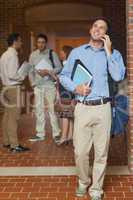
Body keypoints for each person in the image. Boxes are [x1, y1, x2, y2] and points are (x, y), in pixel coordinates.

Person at [59, 17, 125, 200]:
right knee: (80, 151)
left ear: (106, 34)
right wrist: (76, 88)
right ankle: (83, 181)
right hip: (83, 107)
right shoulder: (78, 52)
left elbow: (118, 75)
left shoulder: (114, 54)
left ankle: (96, 188)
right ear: (91, 30)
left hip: (103, 108)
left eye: (102, 27)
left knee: (101, 152)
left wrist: (109, 51)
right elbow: (63, 77)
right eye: (95, 26)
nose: (98, 29)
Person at [29, 34, 62, 144]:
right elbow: (30, 70)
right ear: (36, 43)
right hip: (38, 86)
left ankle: (56, 134)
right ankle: (40, 134)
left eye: (43, 42)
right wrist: (33, 83)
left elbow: (59, 67)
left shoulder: (52, 54)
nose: (41, 44)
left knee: (52, 111)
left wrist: (48, 71)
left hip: (49, 86)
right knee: (39, 111)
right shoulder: (33, 55)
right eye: (39, 42)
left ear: (46, 43)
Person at [0, 33, 30, 153]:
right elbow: (13, 75)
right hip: (13, 89)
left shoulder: (4, 55)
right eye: (20, 41)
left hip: (5, 87)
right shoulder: (12, 55)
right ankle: (14, 145)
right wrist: (22, 76)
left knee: (7, 116)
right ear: (15, 42)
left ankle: (7, 142)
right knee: (14, 118)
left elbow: (3, 74)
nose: (21, 43)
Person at [57, 45, 74, 146]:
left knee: (64, 115)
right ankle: (70, 136)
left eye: (62, 52)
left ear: (66, 53)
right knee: (69, 115)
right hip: (68, 92)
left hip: (66, 92)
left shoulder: (67, 65)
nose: (60, 53)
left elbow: (66, 80)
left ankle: (63, 137)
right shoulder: (69, 64)